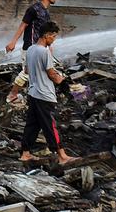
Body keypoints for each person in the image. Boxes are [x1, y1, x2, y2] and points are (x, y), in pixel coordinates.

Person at [20, 22, 76, 164]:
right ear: (46, 35)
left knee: (32, 125)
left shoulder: (31, 49)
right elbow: (51, 73)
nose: (54, 39)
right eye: (54, 36)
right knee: (50, 126)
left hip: (33, 93)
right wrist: (63, 83)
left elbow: (26, 70)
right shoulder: (44, 51)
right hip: (44, 95)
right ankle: (62, 156)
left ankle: (25, 154)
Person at [4, 0, 57, 103]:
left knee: (40, 73)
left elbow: (45, 34)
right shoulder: (33, 9)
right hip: (30, 47)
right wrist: (13, 42)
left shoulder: (46, 12)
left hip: (41, 48)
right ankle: (12, 94)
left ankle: (34, 97)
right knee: (28, 73)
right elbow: (23, 25)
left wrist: (50, 48)